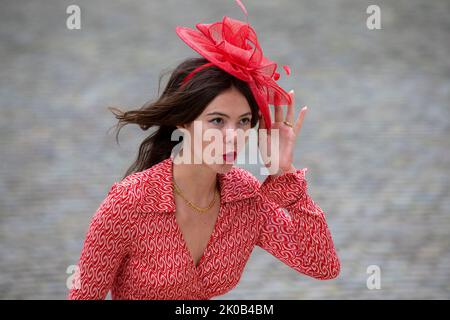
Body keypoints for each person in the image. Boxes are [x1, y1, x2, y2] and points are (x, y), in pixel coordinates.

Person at [68, 1, 340, 300]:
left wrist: (283, 173)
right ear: (183, 121)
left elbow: (322, 265)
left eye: (244, 121)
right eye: (217, 121)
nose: (233, 136)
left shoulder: (245, 197)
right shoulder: (128, 204)